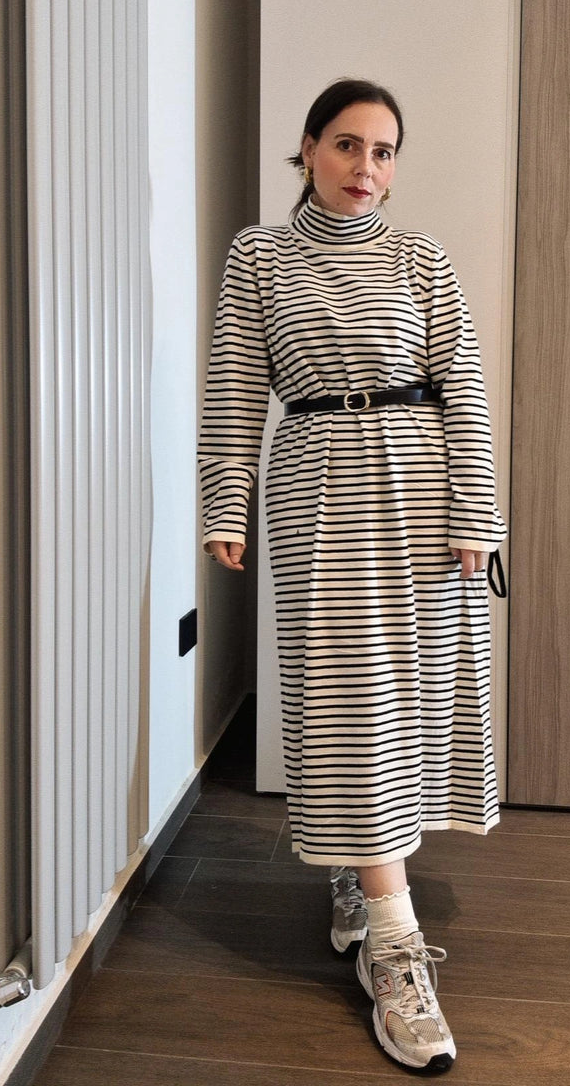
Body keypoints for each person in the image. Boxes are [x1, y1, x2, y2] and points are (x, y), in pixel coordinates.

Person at [199, 78, 506, 1073]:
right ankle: (395, 942)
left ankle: (355, 869)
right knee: (347, 693)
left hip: (422, 481)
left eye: (383, 151)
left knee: (407, 694)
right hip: (317, 480)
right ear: (306, 148)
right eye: (346, 144)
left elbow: (464, 387)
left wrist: (477, 512)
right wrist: (225, 501)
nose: (365, 167)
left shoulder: (422, 257)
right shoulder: (260, 255)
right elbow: (236, 387)